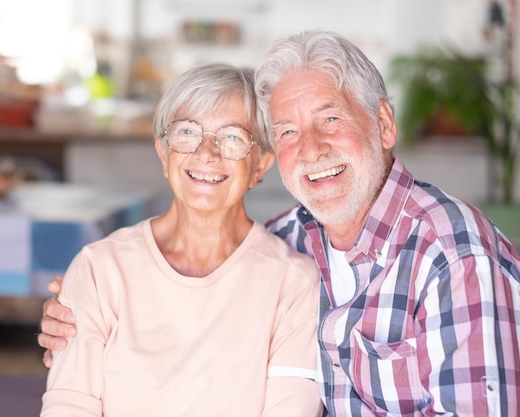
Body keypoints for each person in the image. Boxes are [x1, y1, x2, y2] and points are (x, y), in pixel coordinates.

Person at [38, 31, 520, 416]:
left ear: (383, 124)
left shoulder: (456, 259)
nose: (310, 148)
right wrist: (77, 308)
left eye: (330, 119)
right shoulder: (294, 240)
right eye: (286, 131)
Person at [38, 63, 324, 417]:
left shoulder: (293, 283)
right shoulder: (99, 268)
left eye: (232, 137)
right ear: (164, 151)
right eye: (188, 132)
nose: (207, 153)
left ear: (261, 165)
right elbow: (69, 404)